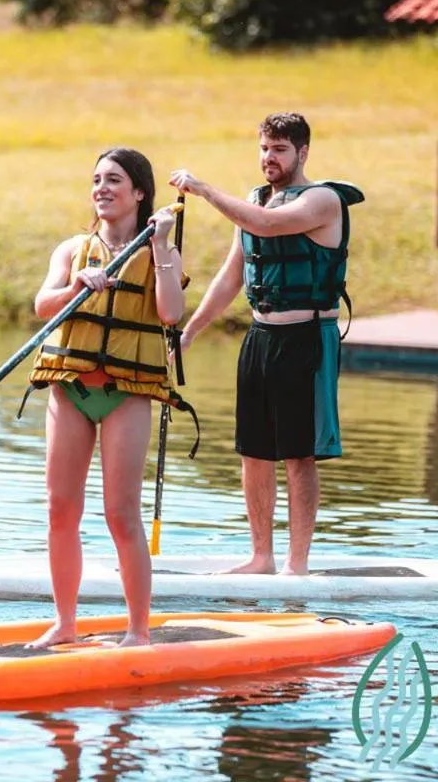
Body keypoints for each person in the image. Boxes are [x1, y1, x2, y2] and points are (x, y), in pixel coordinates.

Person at [168, 112, 363, 576]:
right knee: (254, 450)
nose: (268, 158)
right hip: (261, 337)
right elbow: (232, 274)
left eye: (279, 149)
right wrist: (191, 331)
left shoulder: (323, 201)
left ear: (302, 152)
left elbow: (269, 226)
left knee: (298, 453)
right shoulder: (256, 201)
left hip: (306, 340)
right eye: (263, 149)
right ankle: (262, 557)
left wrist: (206, 190)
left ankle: (297, 565)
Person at [25, 147, 187, 648]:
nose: (102, 188)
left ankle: (138, 630)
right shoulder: (73, 249)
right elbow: (42, 305)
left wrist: (160, 248)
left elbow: (170, 313)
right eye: (96, 179)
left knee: (120, 513)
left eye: (114, 180)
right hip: (71, 388)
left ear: (139, 191)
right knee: (60, 508)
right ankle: (65, 624)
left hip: (126, 394)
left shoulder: (160, 251)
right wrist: (76, 285)